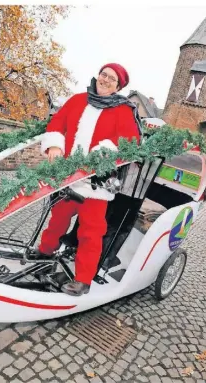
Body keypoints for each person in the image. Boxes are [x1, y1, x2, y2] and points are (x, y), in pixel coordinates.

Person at [35, 63, 142, 296]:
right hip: (67, 178)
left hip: (96, 184)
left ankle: (82, 280)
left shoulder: (123, 110)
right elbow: (57, 123)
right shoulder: (78, 100)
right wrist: (54, 145)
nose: (104, 80)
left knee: (90, 232)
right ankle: (44, 253)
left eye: (111, 79)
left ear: (118, 86)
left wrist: (102, 154)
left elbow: (130, 140)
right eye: (103, 74)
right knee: (57, 220)